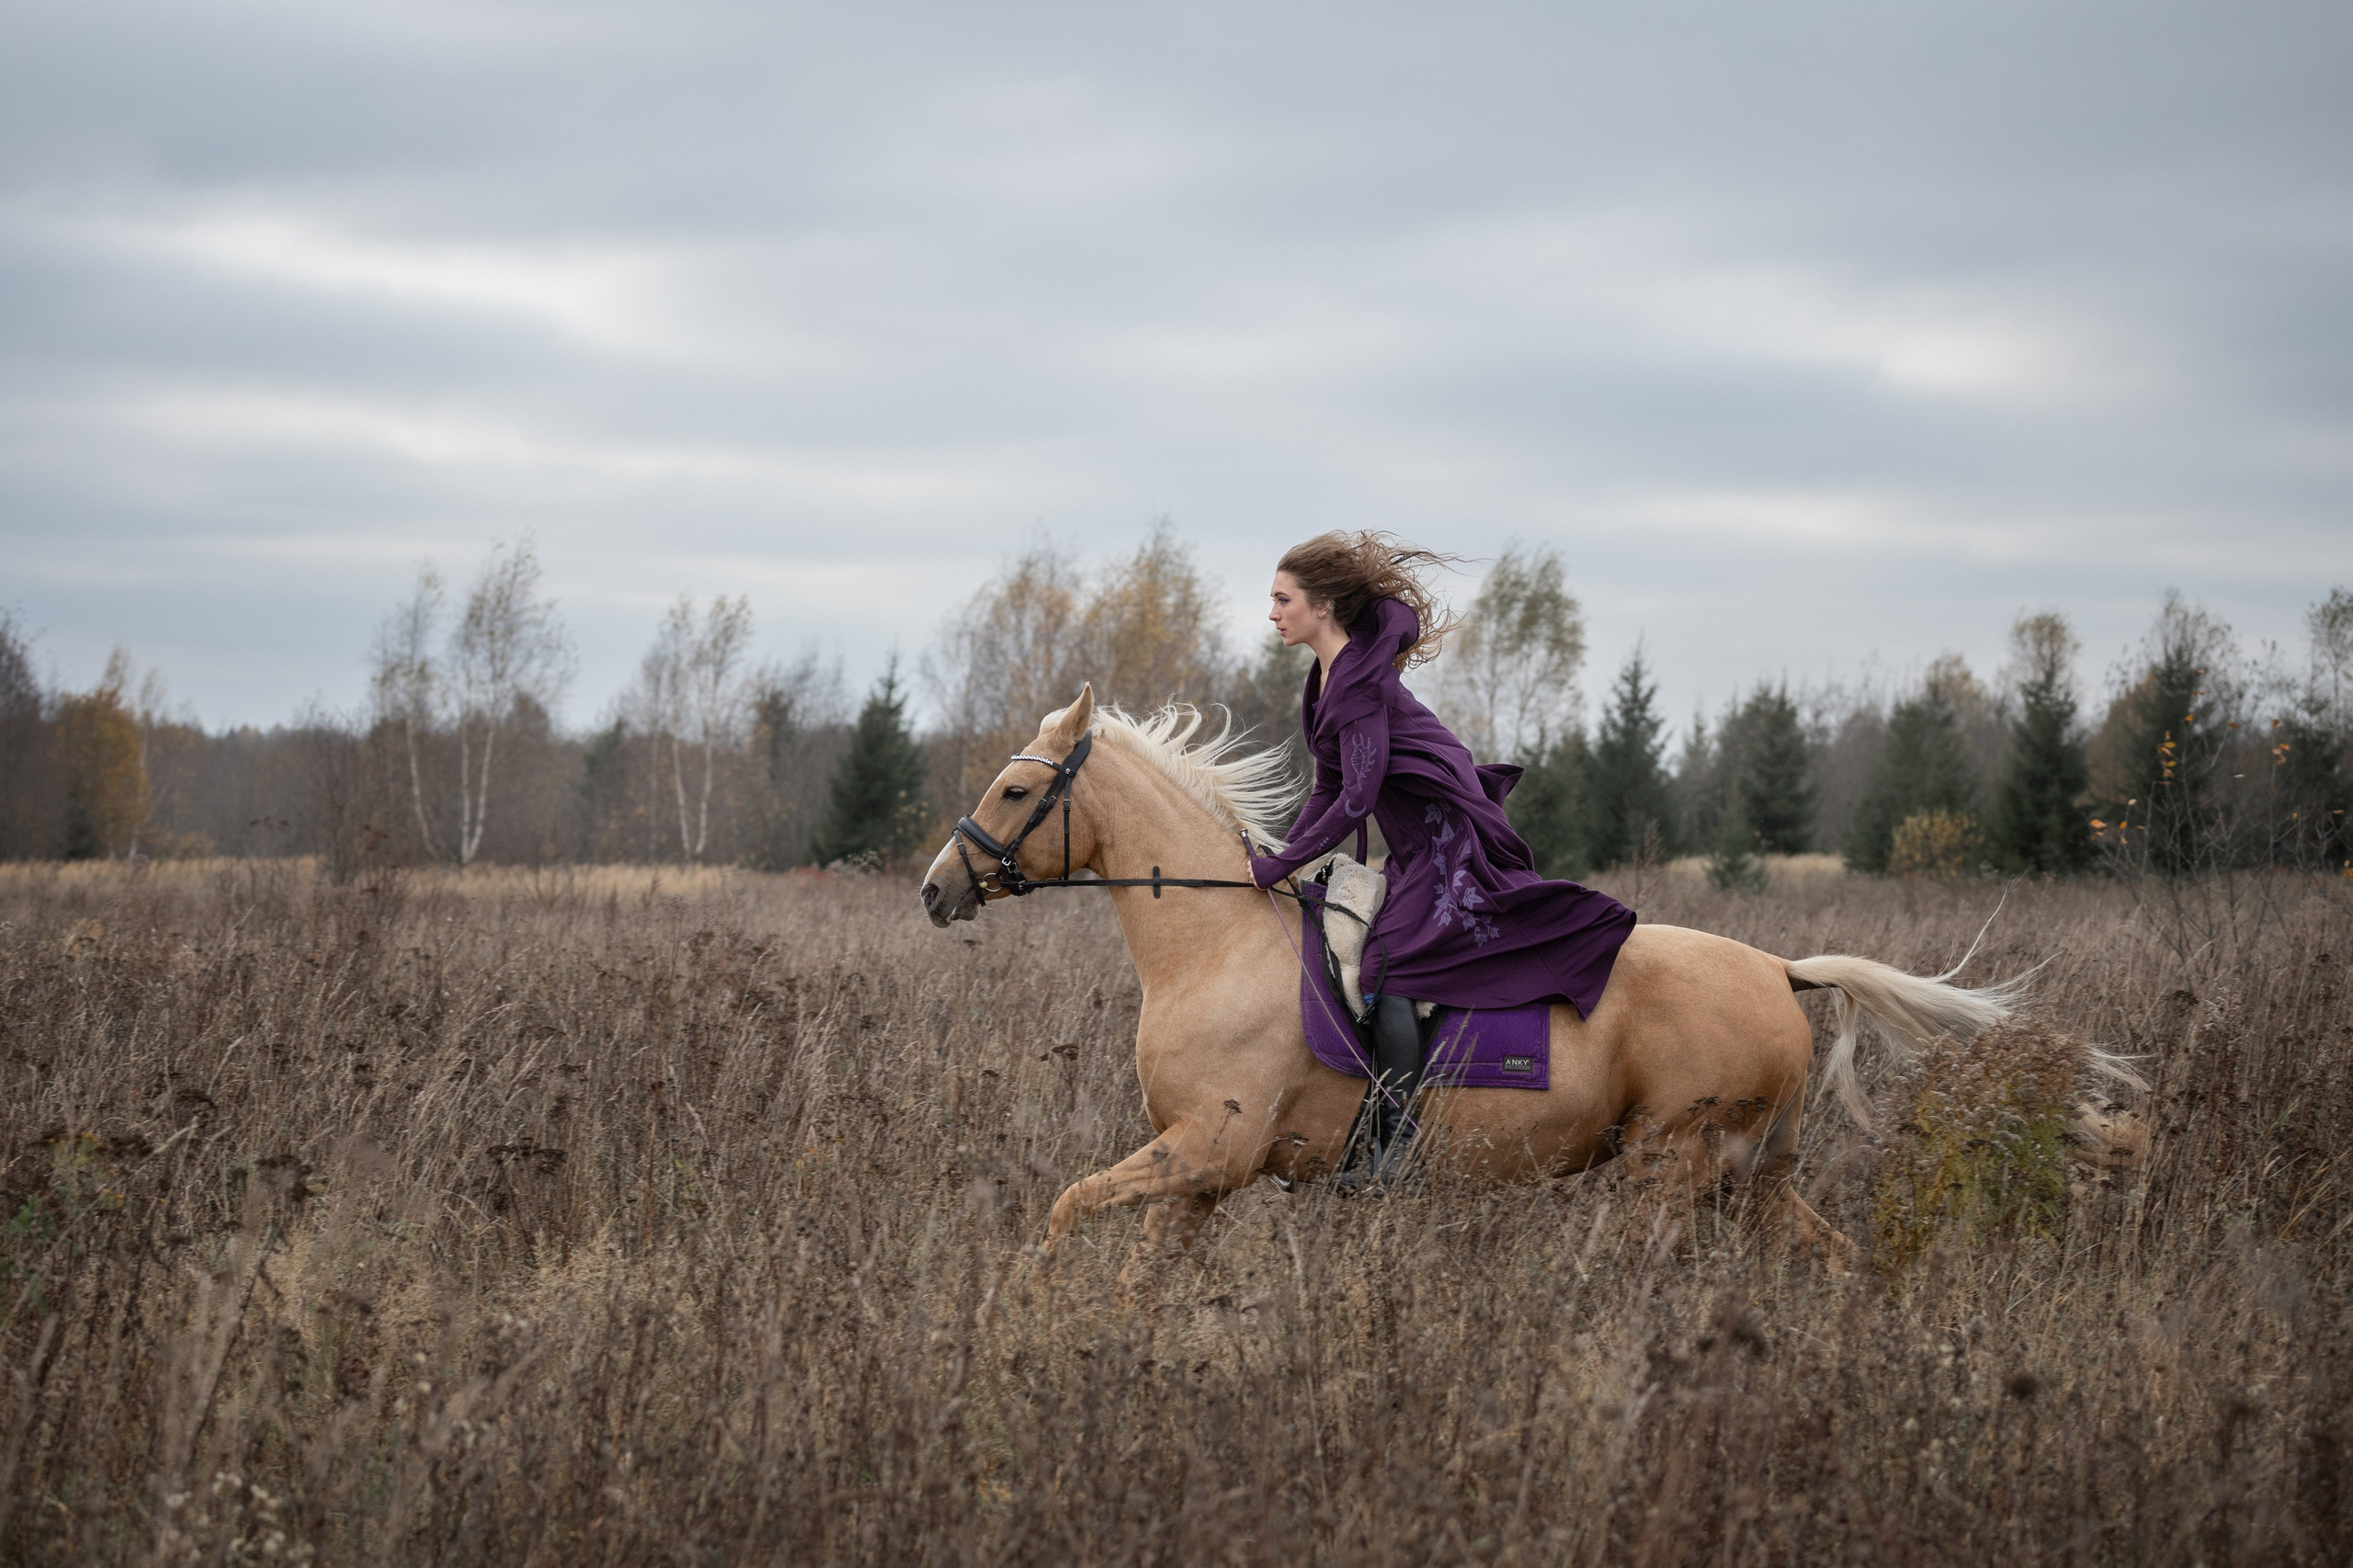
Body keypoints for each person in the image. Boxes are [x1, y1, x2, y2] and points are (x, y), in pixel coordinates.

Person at [1252, 531, 1638, 1190]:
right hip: (1415, 849)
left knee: (1390, 968)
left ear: (1323, 606)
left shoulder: (1358, 682)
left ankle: (1398, 1151)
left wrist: (1278, 865)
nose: (1272, 613)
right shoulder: (1326, 678)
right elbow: (1326, 787)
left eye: (1283, 600)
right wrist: (1282, 855)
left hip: (1446, 846)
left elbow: (1358, 797)